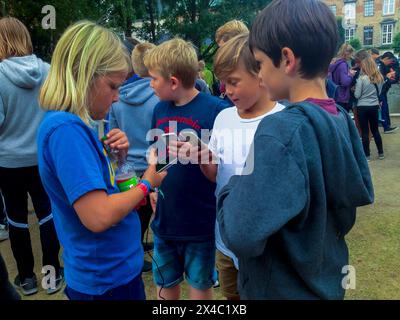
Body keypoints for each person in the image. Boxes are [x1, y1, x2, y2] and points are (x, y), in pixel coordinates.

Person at [217, 0, 374, 299]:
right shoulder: (340, 118)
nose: (259, 75)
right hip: (323, 283)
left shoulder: (281, 131)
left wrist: (234, 185)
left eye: (260, 63)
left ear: (287, 59)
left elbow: (241, 234)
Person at [37, 20, 166, 300]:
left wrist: (119, 161)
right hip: (105, 280)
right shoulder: (66, 131)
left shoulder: (80, 126)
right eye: (112, 86)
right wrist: (147, 183)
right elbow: (99, 216)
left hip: (113, 271)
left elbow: (111, 190)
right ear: (85, 75)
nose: (117, 97)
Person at [197, 33, 285, 300]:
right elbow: (216, 177)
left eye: (233, 82)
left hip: (264, 246)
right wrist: (202, 157)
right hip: (224, 240)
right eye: (224, 83)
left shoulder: (282, 121)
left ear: (260, 75)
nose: (226, 90)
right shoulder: (223, 117)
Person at [143, 38, 230, 300]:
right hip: (165, 222)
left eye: (153, 79)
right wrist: (151, 189)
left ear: (173, 82)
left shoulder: (217, 110)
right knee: (165, 283)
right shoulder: (159, 109)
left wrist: (203, 154)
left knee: (200, 286)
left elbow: (225, 165)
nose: (150, 84)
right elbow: (156, 154)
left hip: (200, 223)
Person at [0, 17, 62, 296]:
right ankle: (52, 275)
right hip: (43, 158)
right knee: (48, 214)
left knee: (16, 219)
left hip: (8, 162)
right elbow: (57, 111)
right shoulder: (49, 71)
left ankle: (26, 278)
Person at [109, 42, 158, 273]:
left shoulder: (116, 97)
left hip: (128, 167)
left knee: (135, 214)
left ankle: (137, 245)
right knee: (147, 212)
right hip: (151, 166)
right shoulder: (159, 96)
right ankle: (136, 253)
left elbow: (112, 133)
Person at [354, 56, 385, 161]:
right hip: (374, 106)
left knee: (365, 131)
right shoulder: (379, 78)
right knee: (375, 130)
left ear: (365, 66)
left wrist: (354, 90)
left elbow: (357, 95)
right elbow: (379, 93)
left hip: (362, 107)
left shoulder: (361, 79)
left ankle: (367, 155)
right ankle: (381, 153)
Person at [375, 51, 399, 133]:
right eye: (390, 61)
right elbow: (378, 79)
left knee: (384, 107)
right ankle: (386, 127)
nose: (390, 63)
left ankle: (387, 125)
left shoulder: (381, 65)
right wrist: (388, 77)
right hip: (379, 91)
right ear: (386, 59)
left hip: (382, 90)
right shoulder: (379, 65)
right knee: (383, 108)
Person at [328, 43, 356, 112]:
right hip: (342, 97)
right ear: (347, 53)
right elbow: (345, 82)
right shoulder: (343, 65)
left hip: (334, 95)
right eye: (351, 54)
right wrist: (351, 75)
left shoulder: (334, 62)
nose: (351, 57)